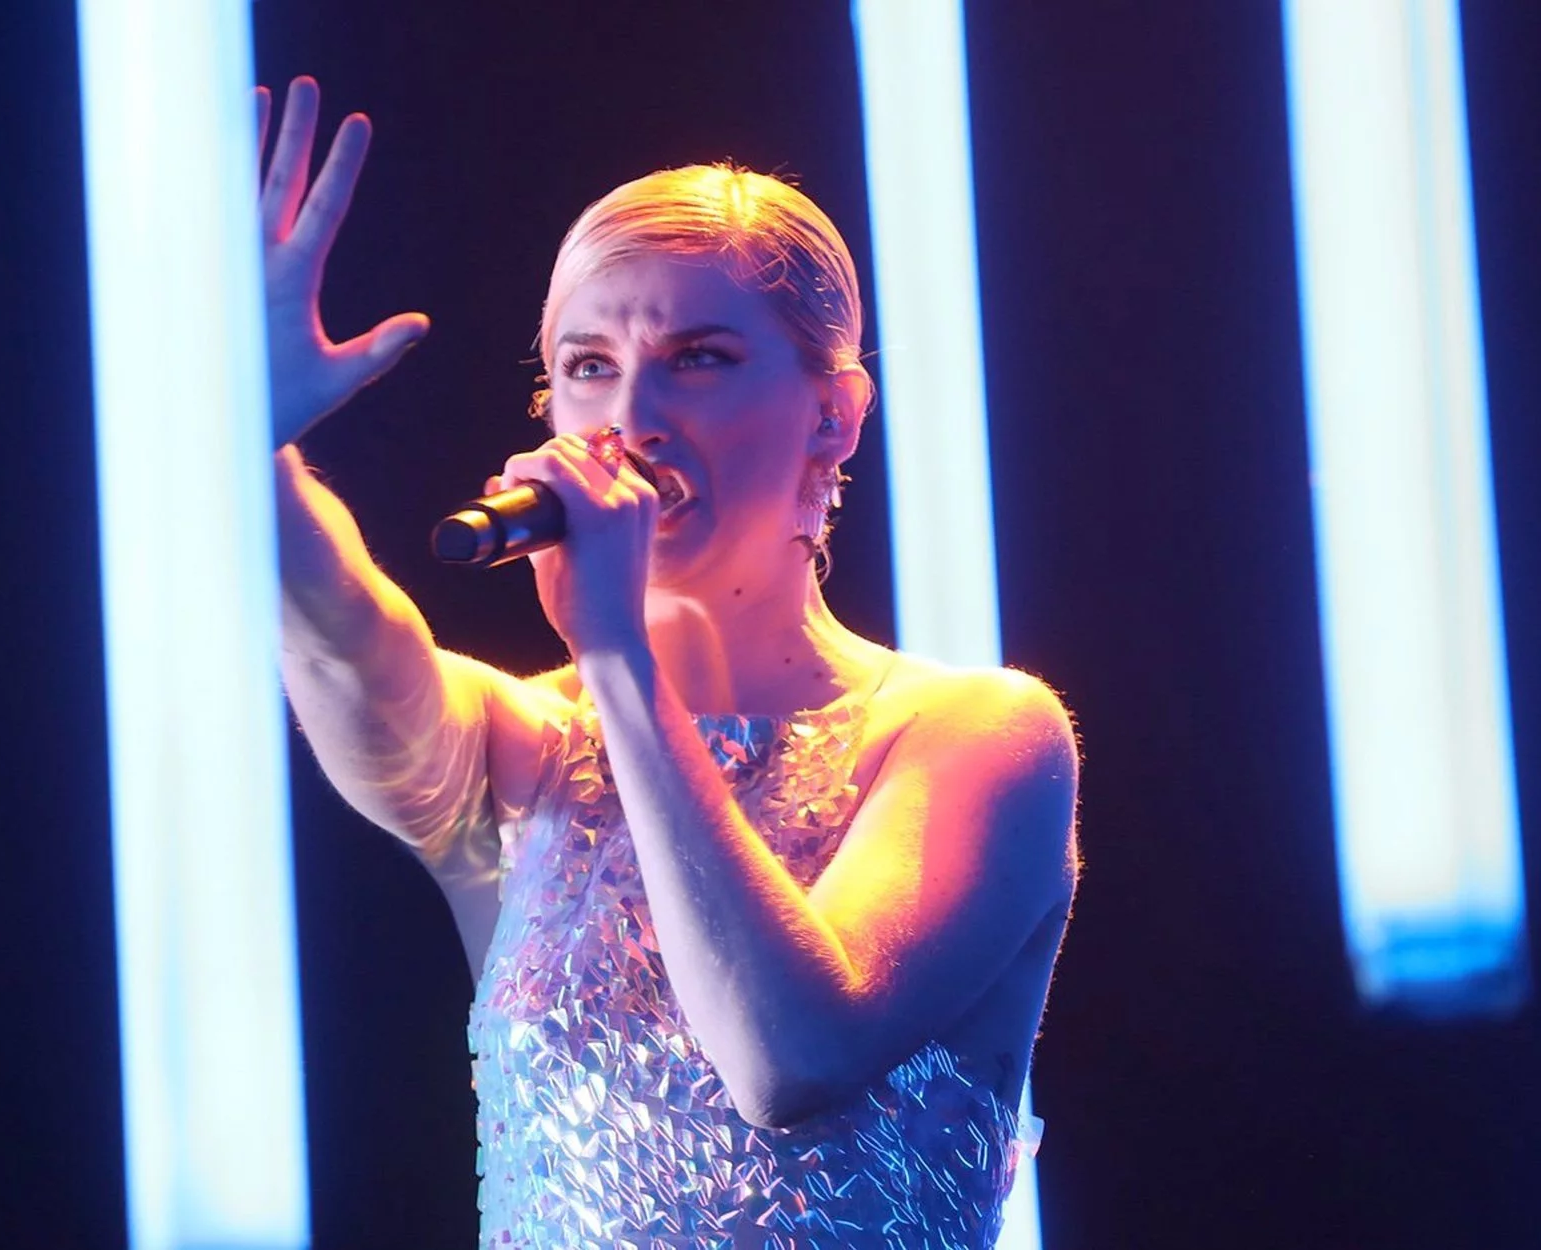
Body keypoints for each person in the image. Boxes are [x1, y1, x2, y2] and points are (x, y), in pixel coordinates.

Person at [265, 77, 1080, 1250]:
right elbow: (338, 634)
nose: (630, 416)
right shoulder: (520, 747)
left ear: (833, 413)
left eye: (695, 358)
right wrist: (248, 441)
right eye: (587, 366)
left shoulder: (972, 735)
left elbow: (786, 1056)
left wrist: (617, 659)